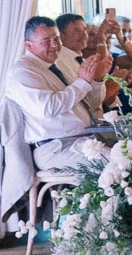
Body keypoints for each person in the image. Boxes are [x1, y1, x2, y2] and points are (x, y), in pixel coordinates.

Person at [7, 17, 114, 169]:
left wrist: (96, 80)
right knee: (121, 162)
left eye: (56, 39)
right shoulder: (23, 71)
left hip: (85, 140)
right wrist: (82, 82)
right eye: (46, 41)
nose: (55, 45)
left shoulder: (56, 65)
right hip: (55, 147)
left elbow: (91, 103)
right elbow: (48, 108)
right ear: (29, 46)